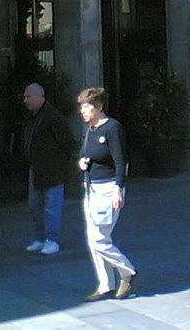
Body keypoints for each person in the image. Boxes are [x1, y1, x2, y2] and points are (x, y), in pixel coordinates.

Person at [77, 87, 136, 301]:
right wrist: (82, 163)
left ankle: (127, 271)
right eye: (81, 107)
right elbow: (85, 155)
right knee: (94, 238)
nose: (82, 112)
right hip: (91, 189)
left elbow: (121, 160)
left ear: (99, 107)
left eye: (86, 107)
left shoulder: (112, 128)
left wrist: (118, 188)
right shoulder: (90, 130)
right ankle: (105, 285)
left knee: (98, 239)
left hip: (108, 188)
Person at [22, 83, 76, 255]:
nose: (25, 100)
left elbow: (68, 142)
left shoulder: (52, 117)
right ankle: (41, 237)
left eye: (28, 97)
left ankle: (52, 239)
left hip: (51, 170)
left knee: (51, 206)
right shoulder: (34, 116)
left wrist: (59, 162)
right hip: (37, 168)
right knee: (35, 205)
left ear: (40, 97)